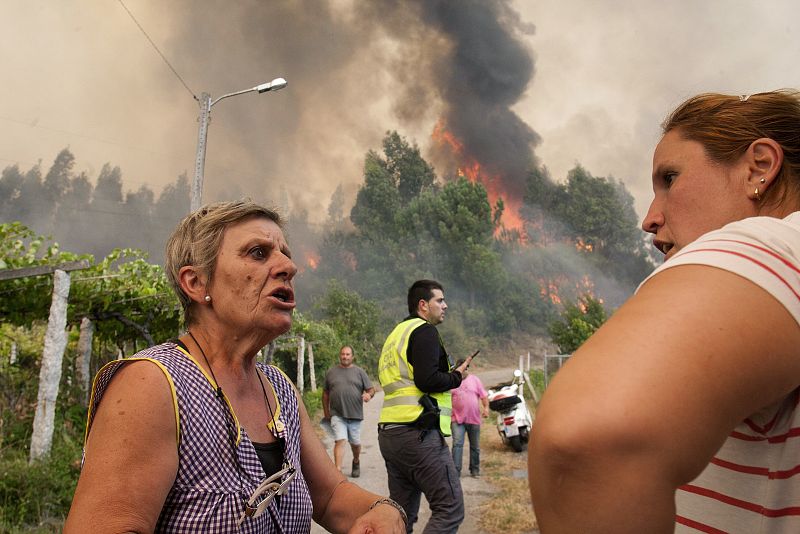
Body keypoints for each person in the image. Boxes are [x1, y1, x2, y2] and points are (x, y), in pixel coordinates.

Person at [528, 90, 800, 534]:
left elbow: (587, 437)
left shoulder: (778, 243)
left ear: (760, 168)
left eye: (669, 179)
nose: (649, 218)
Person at [65, 200, 406, 533]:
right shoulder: (152, 384)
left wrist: (383, 510)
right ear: (197, 283)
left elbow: (331, 497)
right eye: (258, 253)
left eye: (285, 253)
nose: (289, 266)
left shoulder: (279, 388)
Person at [377, 279, 474, 533]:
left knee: (402, 516)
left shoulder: (396, 335)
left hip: (390, 434)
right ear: (423, 305)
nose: (445, 305)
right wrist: (457, 377)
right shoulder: (425, 331)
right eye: (439, 301)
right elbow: (427, 379)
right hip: (417, 433)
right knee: (450, 507)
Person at [323, 345, 376, 478]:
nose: (345, 356)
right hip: (337, 414)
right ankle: (338, 472)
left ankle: (356, 461)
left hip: (355, 415)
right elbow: (325, 394)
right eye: (343, 354)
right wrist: (326, 412)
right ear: (339, 355)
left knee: (355, 444)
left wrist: (369, 395)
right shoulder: (331, 372)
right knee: (340, 440)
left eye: (347, 354)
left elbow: (371, 389)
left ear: (352, 356)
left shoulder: (359, 372)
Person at [450, 359, 489, 478]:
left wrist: (486, 408)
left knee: (475, 446)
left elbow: (483, 396)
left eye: (462, 369)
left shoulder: (475, 380)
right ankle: (456, 472)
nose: (460, 372)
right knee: (457, 445)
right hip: (457, 419)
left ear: (466, 368)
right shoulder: (452, 381)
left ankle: (475, 470)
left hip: (474, 419)